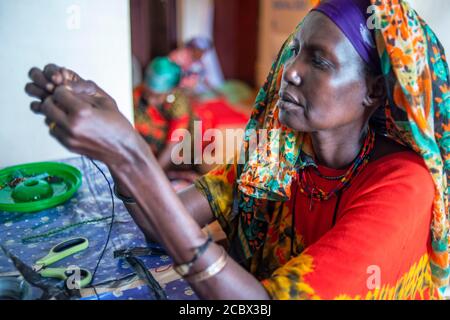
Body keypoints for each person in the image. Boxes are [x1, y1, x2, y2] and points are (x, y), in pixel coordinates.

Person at [25, 0, 449, 299]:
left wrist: (131, 155)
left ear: (374, 91)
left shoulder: (403, 187)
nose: (291, 72)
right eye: (295, 51)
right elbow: (164, 221)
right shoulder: (281, 151)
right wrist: (117, 144)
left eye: (319, 62)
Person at [133, 56, 193, 172]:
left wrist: (152, 175)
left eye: (157, 96)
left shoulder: (179, 104)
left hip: (171, 157)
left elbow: (172, 146)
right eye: (148, 93)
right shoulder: (136, 95)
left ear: (171, 90)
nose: (150, 100)